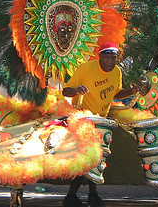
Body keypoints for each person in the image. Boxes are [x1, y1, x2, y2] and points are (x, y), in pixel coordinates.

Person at [61, 42, 142, 207]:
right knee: (87, 159)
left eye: (113, 58)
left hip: (102, 121)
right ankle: (74, 197)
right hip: (83, 120)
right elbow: (65, 90)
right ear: (100, 56)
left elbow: (117, 93)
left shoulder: (117, 72)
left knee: (97, 159)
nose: (110, 61)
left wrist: (133, 90)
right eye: (107, 57)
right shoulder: (86, 69)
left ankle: (89, 195)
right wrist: (77, 90)